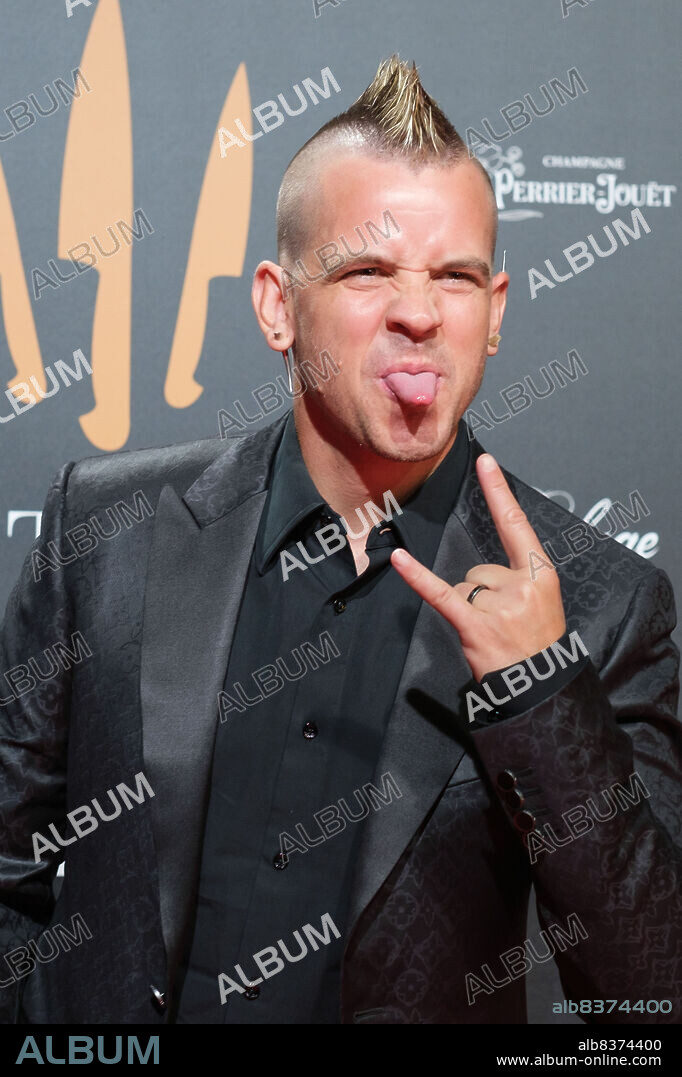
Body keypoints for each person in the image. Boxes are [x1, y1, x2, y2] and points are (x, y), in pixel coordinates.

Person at [1, 56, 679, 1026]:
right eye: (368, 272)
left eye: (455, 277)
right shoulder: (106, 530)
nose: (418, 313)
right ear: (278, 306)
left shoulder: (601, 603)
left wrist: (541, 696)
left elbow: (648, 995)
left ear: (494, 313)